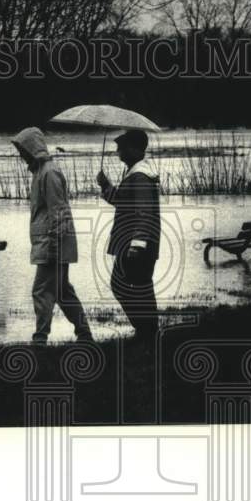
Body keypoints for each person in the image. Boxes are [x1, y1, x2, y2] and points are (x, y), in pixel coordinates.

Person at [11, 127, 93, 345]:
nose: (21, 154)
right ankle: (85, 334)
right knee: (62, 291)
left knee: (41, 290)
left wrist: (55, 245)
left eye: (23, 149)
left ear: (32, 148)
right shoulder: (41, 172)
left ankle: (40, 339)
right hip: (50, 243)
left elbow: (59, 212)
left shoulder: (49, 173)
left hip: (53, 244)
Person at [96, 129, 161, 342]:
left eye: (121, 147)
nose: (118, 151)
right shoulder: (136, 173)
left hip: (136, 245)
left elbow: (144, 212)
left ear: (133, 149)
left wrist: (137, 244)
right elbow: (123, 201)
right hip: (137, 244)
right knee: (140, 287)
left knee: (124, 286)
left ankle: (146, 331)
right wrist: (106, 186)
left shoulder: (140, 176)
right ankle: (148, 331)